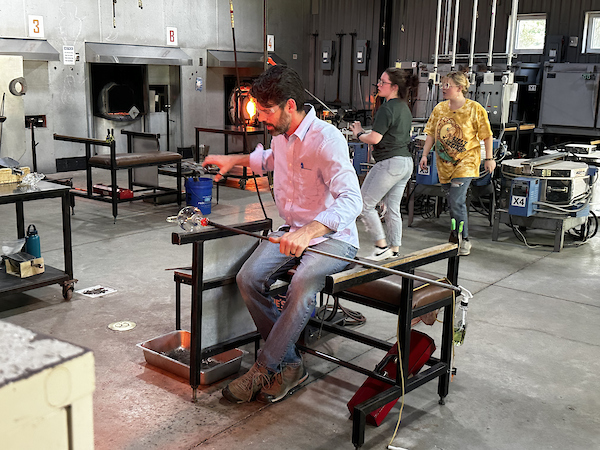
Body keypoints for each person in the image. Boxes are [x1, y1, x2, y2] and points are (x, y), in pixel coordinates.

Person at [202, 65, 362, 404]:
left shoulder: (326, 139)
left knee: (301, 286)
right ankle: (290, 365)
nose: (262, 119)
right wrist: (235, 159)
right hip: (292, 233)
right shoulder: (281, 136)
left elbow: (353, 200)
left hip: (333, 237)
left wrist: (310, 231)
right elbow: (271, 159)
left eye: (267, 112)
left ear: (290, 105)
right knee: (247, 278)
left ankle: (264, 367)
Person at [419, 71, 495, 256]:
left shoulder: (475, 109)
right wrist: (424, 155)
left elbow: (487, 135)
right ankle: (455, 235)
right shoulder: (439, 109)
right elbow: (430, 133)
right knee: (452, 202)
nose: (443, 88)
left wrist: (489, 158)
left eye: (447, 85)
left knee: (456, 200)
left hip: (466, 162)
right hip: (444, 163)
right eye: (442, 85)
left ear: (459, 88)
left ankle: (463, 239)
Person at [349, 68, 418, 260]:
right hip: (405, 163)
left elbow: (375, 138)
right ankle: (394, 249)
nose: (378, 85)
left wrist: (358, 133)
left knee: (364, 205)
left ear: (394, 87)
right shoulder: (404, 107)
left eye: (382, 82)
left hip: (390, 163)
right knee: (392, 207)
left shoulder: (386, 109)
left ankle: (381, 246)